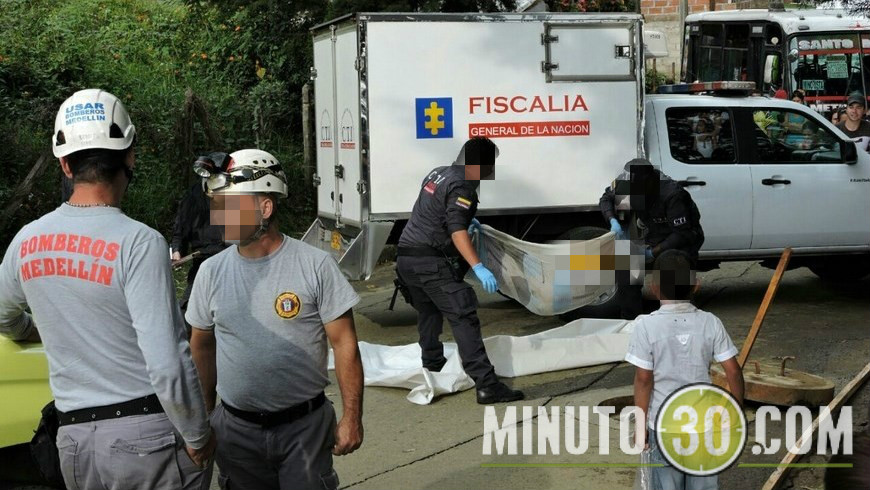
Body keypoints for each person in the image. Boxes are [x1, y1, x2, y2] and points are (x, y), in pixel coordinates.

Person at [0, 89, 215, 489]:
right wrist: (198, 435)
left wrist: (32, 328)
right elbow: (167, 361)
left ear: (65, 164)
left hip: (73, 443)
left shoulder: (26, 241)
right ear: (130, 157)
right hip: (145, 438)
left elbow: (3, 315)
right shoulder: (138, 242)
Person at [186, 148, 364, 490]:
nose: (218, 217)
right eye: (216, 206)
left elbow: (345, 344)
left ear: (265, 208)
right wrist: (204, 419)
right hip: (236, 433)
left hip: (305, 430)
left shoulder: (315, 265)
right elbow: (201, 348)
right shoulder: (210, 272)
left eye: (229, 206)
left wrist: (352, 417)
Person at [396, 137, 523, 404]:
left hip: (407, 258)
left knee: (429, 311)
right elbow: (456, 231)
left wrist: (466, 218)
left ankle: (432, 365)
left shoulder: (438, 172)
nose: (491, 171)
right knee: (463, 314)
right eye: (490, 165)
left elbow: (434, 210)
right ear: (480, 164)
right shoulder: (463, 184)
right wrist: (479, 266)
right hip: (430, 261)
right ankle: (487, 384)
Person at [627, 250, 744, 490]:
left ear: (654, 287)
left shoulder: (646, 326)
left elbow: (643, 379)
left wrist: (640, 426)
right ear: (696, 286)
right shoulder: (710, 322)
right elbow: (733, 371)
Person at [600, 158, 705, 319]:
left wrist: (650, 253)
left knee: (673, 279)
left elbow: (682, 234)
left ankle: (683, 319)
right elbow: (606, 198)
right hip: (654, 236)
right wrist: (613, 220)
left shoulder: (672, 194)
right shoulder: (624, 181)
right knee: (626, 269)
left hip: (682, 241)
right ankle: (632, 321)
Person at [170, 155, 228, 324]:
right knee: (187, 315)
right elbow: (180, 228)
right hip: (201, 264)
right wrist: (177, 250)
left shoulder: (235, 197)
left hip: (230, 262)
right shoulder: (194, 196)